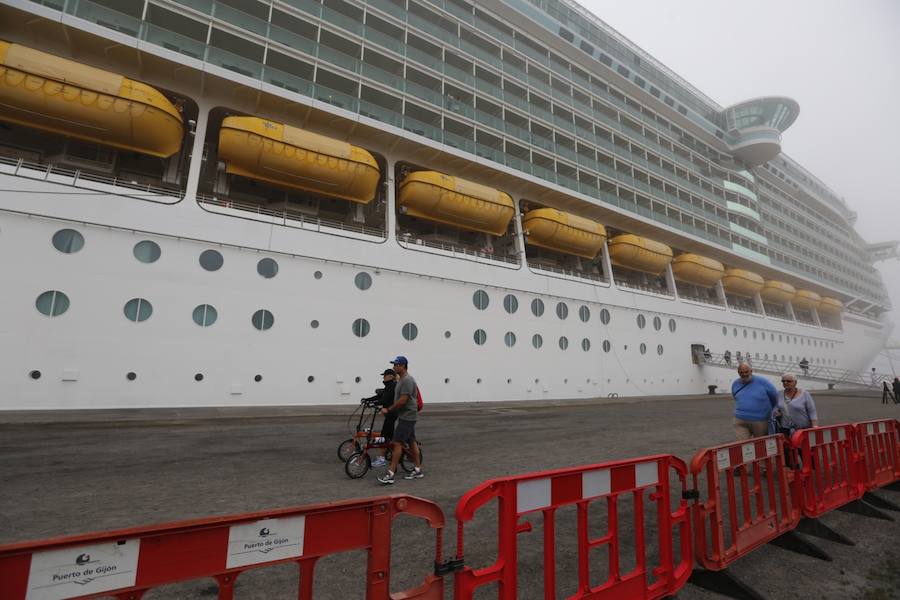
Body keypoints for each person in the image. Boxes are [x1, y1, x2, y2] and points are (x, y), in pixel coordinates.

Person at [378, 356, 423, 484]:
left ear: (402, 366)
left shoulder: (407, 380)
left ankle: (390, 474)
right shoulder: (401, 380)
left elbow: (403, 399)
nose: (394, 367)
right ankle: (418, 469)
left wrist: (389, 409)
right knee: (412, 442)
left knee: (397, 443)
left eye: (396, 365)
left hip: (408, 416)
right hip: (406, 416)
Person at [731, 362, 778, 440]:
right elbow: (736, 397)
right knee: (743, 445)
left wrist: (774, 410)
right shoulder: (735, 384)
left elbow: (775, 397)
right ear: (738, 373)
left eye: (746, 372)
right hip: (740, 419)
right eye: (741, 372)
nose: (744, 374)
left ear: (751, 371)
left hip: (760, 420)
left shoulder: (763, 382)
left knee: (760, 443)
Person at [364, 369, 397, 468]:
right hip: (389, 414)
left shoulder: (393, 386)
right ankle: (393, 454)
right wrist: (367, 400)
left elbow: (385, 400)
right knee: (389, 435)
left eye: (385, 375)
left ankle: (382, 459)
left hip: (392, 413)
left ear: (391, 376)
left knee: (385, 435)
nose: (383, 377)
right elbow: (380, 396)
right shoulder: (388, 386)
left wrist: (374, 403)